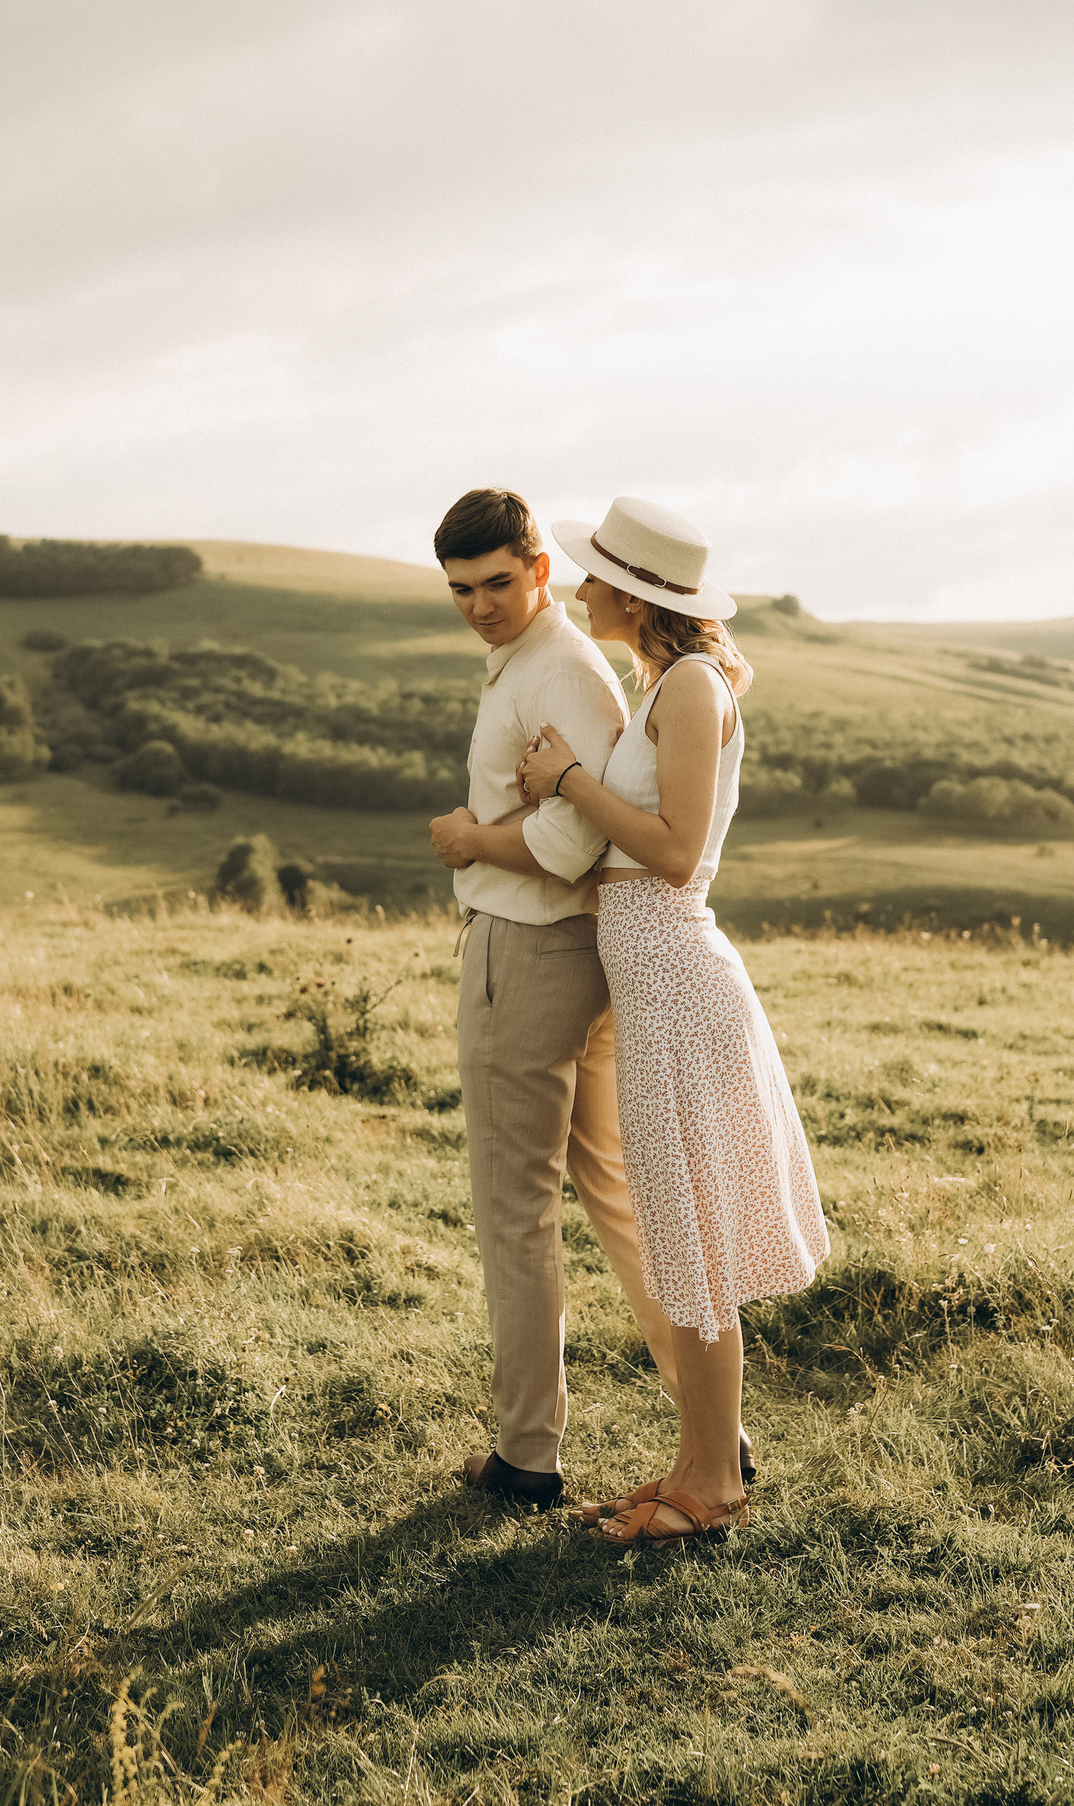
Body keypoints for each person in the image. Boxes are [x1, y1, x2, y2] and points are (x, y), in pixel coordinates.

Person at [515, 495, 828, 1547]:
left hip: (676, 979)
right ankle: (698, 1470)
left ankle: (709, 1487)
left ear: (638, 594)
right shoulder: (668, 685)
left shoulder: (691, 687)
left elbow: (675, 848)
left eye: (594, 574)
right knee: (683, 1239)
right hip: (650, 981)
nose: (578, 585)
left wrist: (564, 779)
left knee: (690, 1239)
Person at [424, 488, 685, 1512]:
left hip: (530, 953)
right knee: (612, 1195)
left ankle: (527, 1453)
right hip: (576, 953)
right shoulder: (543, 664)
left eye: (497, 582)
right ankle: (718, 1427)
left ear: (539, 569)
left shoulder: (560, 671)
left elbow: (568, 842)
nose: (480, 604)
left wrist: (470, 839)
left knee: (514, 1209)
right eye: (460, 590)